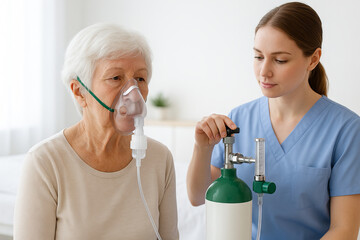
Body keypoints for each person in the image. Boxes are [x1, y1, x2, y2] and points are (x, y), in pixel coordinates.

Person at [187, 2, 360, 239]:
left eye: (280, 60)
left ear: (313, 59)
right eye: (258, 56)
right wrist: (202, 147)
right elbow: (197, 197)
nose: (264, 72)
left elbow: (344, 230)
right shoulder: (238, 120)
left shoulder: (346, 130)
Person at [14, 23, 179, 240]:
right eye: (115, 78)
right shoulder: (45, 163)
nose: (133, 92)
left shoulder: (159, 159)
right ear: (79, 91)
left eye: (140, 78)